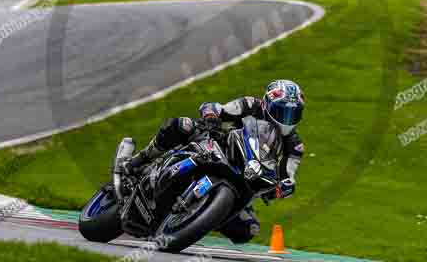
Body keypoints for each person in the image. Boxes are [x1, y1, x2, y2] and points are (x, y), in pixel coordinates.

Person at [124, 79, 305, 243]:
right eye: (282, 112)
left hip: (248, 179)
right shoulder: (251, 104)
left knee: (249, 229)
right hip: (219, 147)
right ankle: (139, 160)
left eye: (292, 114)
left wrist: (284, 188)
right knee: (183, 125)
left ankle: (198, 218)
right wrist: (211, 118)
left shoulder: (294, 145)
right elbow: (216, 108)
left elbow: (289, 174)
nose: (286, 119)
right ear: (267, 104)